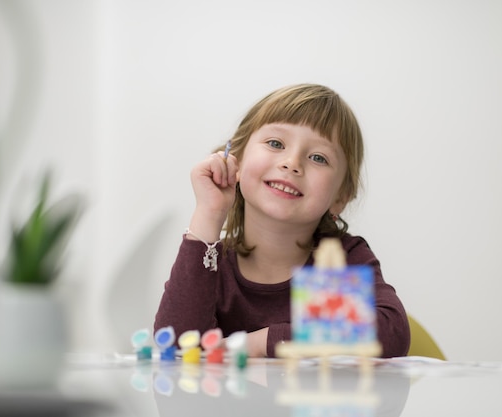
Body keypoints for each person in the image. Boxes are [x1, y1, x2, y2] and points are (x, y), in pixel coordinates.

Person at [154, 84, 410, 358]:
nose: (292, 162)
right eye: (276, 143)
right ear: (235, 161)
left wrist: (262, 342)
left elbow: (390, 333)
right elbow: (175, 347)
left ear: (340, 197)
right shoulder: (215, 262)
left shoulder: (335, 262)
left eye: (318, 158)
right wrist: (209, 212)